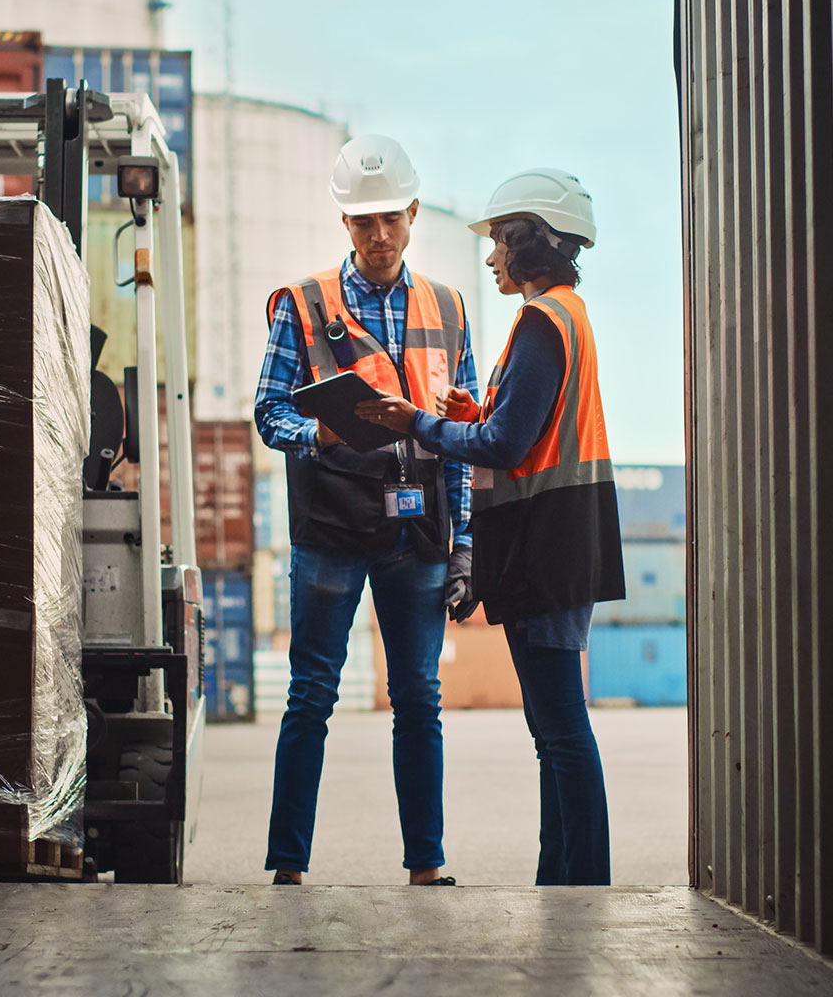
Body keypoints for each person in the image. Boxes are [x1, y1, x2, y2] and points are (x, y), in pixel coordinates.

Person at [356, 168, 625, 885]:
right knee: (553, 734)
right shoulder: (565, 314)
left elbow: (508, 449)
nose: (491, 258)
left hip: (548, 540)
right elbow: (521, 431)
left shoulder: (543, 321)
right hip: (563, 534)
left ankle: (584, 882)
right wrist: (472, 415)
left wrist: (418, 422)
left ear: (527, 239)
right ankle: (561, 879)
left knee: (561, 731)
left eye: (500, 243)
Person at [255, 134, 478, 886]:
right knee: (311, 693)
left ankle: (426, 863)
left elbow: (467, 432)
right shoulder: (304, 305)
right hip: (331, 527)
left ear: (413, 213)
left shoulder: (448, 308)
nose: (378, 236)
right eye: (362, 222)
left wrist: (465, 544)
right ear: (344, 223)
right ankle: (288, 866)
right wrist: (312, 430)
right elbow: (266, 412)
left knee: (419, 698)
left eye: (390, 218)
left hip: (416, 530)